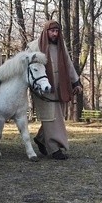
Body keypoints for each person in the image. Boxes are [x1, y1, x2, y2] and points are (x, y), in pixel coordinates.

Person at [27, 20, 83, 160]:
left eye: (57, 31)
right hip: (43, 89)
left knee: (54, 117)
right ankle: (55, 149)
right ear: (46, 31)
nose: (55, 34)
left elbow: (68, 64)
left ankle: (41, 139)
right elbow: (27, 68)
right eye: (52, 31)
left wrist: (76, 82)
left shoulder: (60, 46)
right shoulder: (34, 47)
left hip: (60, 87)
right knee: (51, 117)